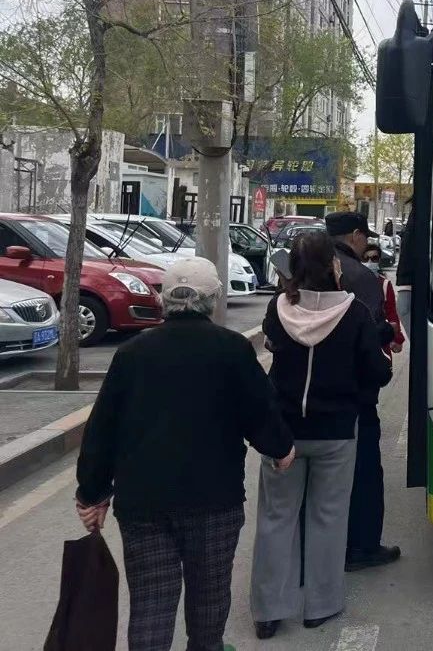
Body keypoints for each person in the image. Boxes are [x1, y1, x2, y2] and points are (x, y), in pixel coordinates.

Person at [74, 257, 294, 651]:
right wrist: (281, 448)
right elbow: (260, 411)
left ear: (163, 299)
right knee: (209, 601)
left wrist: (92, 492)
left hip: (144, 503)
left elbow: (103, 426)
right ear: (214, 298)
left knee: (151, 605)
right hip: (214, 500)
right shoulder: (231, 349)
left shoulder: (133, 353)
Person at [250, 231, 391, 639]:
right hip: (336, 432)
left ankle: (268, 611)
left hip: (284, 433)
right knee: (328, 518)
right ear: (333, 265)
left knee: (276, 517)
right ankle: (321, 605)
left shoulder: (279, 308)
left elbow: (273, 346)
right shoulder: (355, 312)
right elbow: (377, 371)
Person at [324, 210, 401, 572]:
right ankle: (362, 546)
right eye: (365, 237)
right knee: (364, 472)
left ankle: (319, 550)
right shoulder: (360, 277)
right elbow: (371, 341)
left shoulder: (300, 272)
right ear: (355, 236)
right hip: (354, 395)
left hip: (303, 399)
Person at [362, 244, 405, 359]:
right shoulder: (353, 281)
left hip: (380, 337)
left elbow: (391, 312)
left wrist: (397, 338)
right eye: (365, 259)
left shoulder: (384, 284)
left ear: (379, 260)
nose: (370, 262)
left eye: (374, 258)